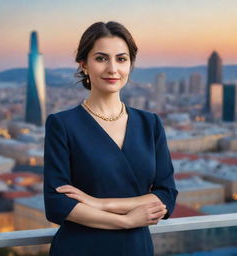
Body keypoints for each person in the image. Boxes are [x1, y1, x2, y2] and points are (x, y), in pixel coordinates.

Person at [43, 21, 178, 256]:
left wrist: (100, 203)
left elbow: (166, 196)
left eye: (121, 59)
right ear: (83, 65)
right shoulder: (62, 124)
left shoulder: (151, 124)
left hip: (137, 248)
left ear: (130, 65)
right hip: (80, 248)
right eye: (101, 58)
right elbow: (57, 203)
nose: (113, 69)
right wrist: (126, 221)